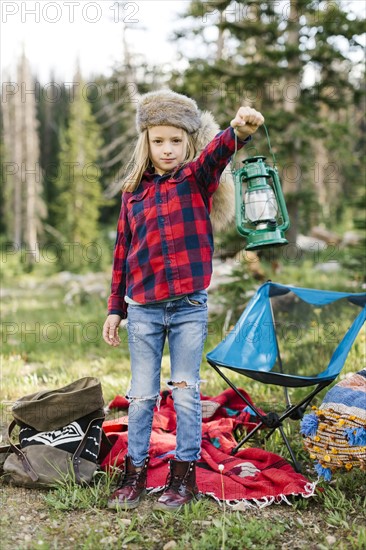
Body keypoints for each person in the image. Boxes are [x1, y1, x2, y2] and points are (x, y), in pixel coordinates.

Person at [103, 89, 264, 511]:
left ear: (187, 142)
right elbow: (122, 250)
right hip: (142, 309)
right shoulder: (132, 193)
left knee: (187, 390)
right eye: (159, 140)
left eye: (176, 140)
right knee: (141, 395)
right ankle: (135, 472)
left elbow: (220, 151)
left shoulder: (196, 178)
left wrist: (239, 129)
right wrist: (114, 309)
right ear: (147, 142)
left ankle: (183, 476)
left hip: (189, 306)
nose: (168, 148)